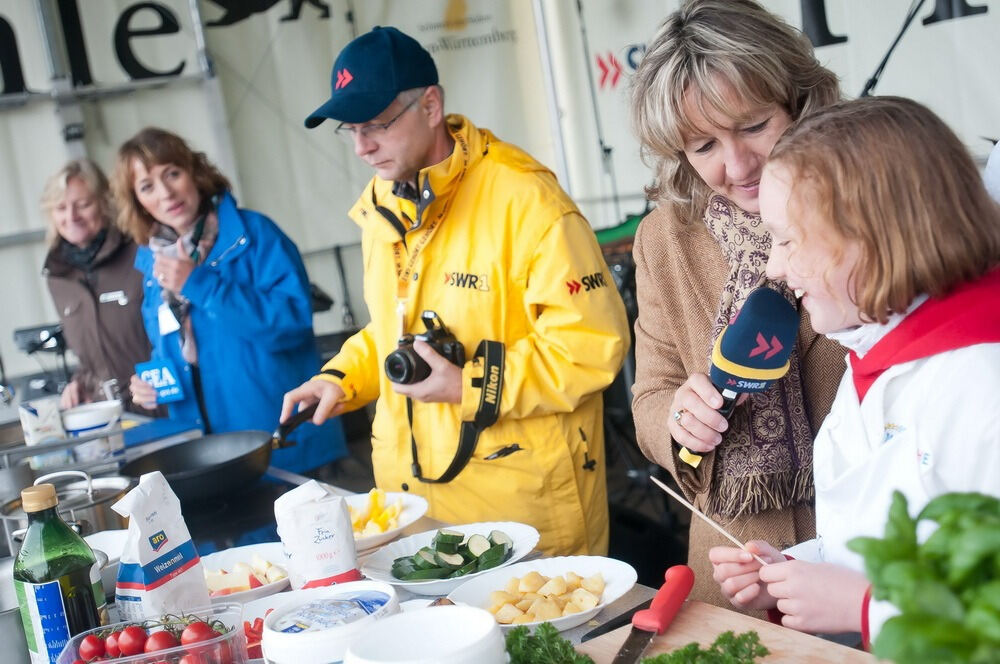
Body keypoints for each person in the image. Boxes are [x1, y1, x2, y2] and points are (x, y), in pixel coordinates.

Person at [284, 26, 629, 555]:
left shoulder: (528, 201)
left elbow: (592, 346)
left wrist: (468, 385)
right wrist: (341, 378)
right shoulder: (381, 206)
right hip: (413, 516)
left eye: (376, 123)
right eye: (348, 130)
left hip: (521, 522)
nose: (361, 147)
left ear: (430, 105)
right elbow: (391, 328)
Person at [710, 96, 1000, 645]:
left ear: (873, 239)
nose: (773, 266)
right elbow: (889, 535)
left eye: (788, 239)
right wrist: (798, 573)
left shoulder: (984, 379)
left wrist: (868, 607)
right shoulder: (872, 352)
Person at [627, 0, 846, 608]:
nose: (738, 165)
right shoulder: (666, 237)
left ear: (800, 101)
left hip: (861, 556)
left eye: (753, 126)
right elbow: (650, 391)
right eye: (703, 146)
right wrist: (675, 418)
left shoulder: (869, 200)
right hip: (732, 565)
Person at [112, 127, 346, 473]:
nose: (165, 193)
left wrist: (199, 284)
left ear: (194, 172)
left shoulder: (257, 236)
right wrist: (153, 384)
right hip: (209, 456)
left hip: (283, 447)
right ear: (138, 202)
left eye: (172, 174)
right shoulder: (153, 264)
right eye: (147, 186)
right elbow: (170, 348)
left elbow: (291, 326)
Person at [40, 159, 153, 413]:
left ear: (105, 204)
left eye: (83, 204)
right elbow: (94, 355)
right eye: (60, 208)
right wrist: (80, 382)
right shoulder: (58, 278)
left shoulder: (141, 252)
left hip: (159, 407)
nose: (72, 217)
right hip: (107, 418)